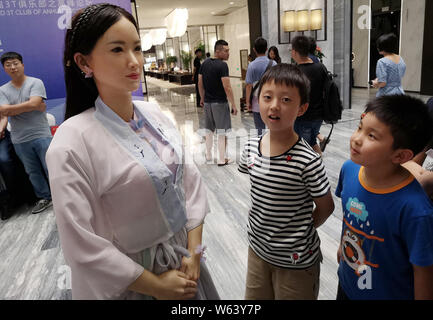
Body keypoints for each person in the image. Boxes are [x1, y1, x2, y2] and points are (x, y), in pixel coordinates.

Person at [45, 3, 219, 300]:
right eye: (117, 50)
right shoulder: (70, 143)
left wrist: (195, 251)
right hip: (135, 280)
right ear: (84, 63)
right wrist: (156, 286)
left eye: (137, 48)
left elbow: (190, 184)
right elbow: (80, 243)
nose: (134, 61)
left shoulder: (156, 115)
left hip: (185, 263)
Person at [239, 64, 335, 300]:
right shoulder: (251, 147)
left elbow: (326, 206)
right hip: (258, 251)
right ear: (257, 101)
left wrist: (300, 231)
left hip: (296, 261)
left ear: (301, 108)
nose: (274, 106)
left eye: (285, 100)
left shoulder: (307, 160)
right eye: (267, 97)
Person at [335, 95, 433, 300]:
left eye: (371, 136)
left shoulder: (415, 209)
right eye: (360, 127)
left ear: (400, 156)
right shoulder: (349, 170)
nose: (357, 138)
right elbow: (349, 218)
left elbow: (423, 271)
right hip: (347, 284)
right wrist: (342, 246)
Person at [0, 52, 53, 214]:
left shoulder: (35, 82)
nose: (12, 67)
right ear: (4, 68)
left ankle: (62, 194)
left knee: (51, 167)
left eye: (15, 63)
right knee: (32, 171)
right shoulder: (2, 90)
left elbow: (35, 103)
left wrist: (14, 109)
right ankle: (44, 197)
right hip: (19, 139)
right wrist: (29, 105)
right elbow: (3, 110)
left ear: (22, 65)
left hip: (41, 133)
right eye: (8, 65)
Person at [198, 39, 238, 166]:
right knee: (222, 132)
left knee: (209, 130)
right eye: (226, 51)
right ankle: (222, 159)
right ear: (218, 51)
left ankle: (208, 155)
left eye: (228, 51)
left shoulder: (204, 64)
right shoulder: (222, 65)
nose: (228, 53)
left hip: (208, 103)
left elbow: (200, 83)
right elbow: (227, 87)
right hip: (220, 103)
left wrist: (202, 98)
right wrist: (234, 105)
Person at [291, 36, 328, 155]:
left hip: (303, 116)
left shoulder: (296, 71)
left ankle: (313, 169)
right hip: (319, 114)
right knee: (312, 141)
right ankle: (319, 164)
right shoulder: (320, 67)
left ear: (295, 51)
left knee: (303, 148)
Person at [0, 115, 36, 220]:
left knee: (4, 160)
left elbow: (3, 117)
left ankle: (11, 197)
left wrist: (1, 129)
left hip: (1, 137)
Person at [245, 37, 276, 136]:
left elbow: (249, 85)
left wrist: (247, 102)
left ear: (254, 49)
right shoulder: (274, 64)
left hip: (257, 101)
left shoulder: (252, 65)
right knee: (273, 127)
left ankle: (262, 148)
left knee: (259, 130)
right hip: (272, 101)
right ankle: (274, 148)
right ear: (267, 49)